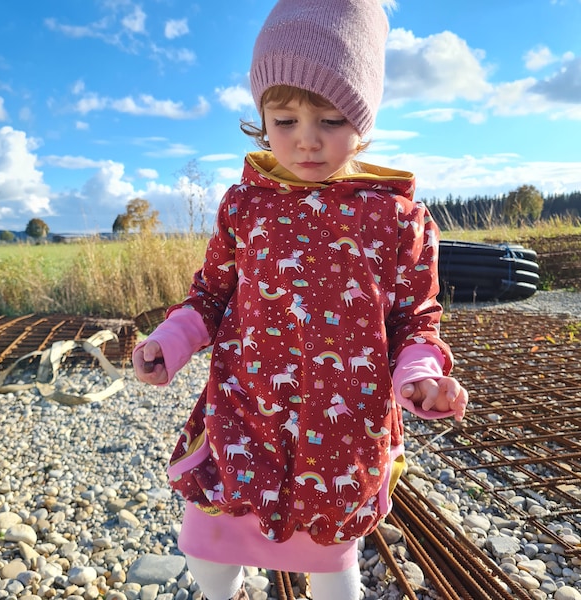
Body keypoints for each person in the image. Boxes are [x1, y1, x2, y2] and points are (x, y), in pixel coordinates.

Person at [133, 1, 468, 598]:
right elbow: (211, 295)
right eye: (285, 121)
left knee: (330, 567)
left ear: (363, 120)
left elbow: (416, 320)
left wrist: (418, 376)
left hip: (341, 429)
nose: (306, 142)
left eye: (331, 120)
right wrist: (170, 342)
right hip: (244, 410)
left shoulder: (395, 218)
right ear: (261, 116)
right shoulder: (246, 205)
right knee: (210, 548)